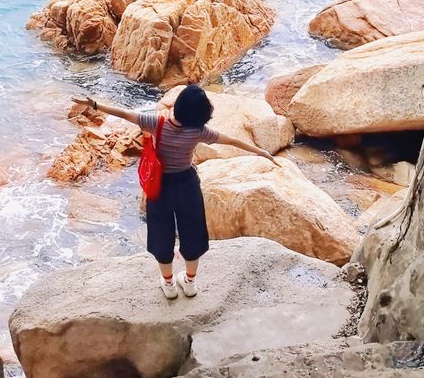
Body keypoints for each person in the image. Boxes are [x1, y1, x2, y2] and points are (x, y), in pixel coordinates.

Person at [71, 84, 280, 299]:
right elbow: (232, 141)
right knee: (192, 231)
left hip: (160, 186)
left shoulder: (157, 123)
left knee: (161, 232)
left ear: (178, 106)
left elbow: (124, 114)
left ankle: (169, 284)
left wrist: (94, 104)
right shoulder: (199, 131)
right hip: (187, 184)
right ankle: (189, 283)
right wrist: (261, 152)